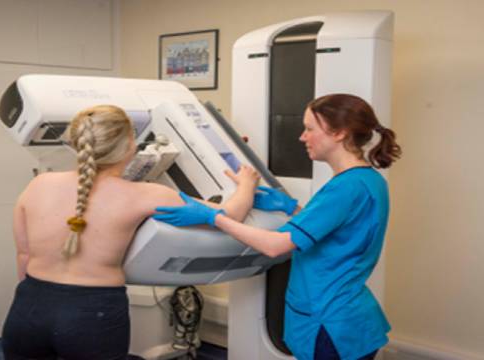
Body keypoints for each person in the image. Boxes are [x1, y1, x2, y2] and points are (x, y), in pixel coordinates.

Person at [1, 104, 260, 360]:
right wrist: (247, 183)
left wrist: (38, 304)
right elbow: (231, 215)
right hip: (91, 315)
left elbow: (23, 255)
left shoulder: (38, 184)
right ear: (128, 145)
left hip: (29, 307)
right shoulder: (144, 194)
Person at [153, 94, 402, 360]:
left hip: (329, 322)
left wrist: (212, 217)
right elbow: (338, 230)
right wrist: (289, 207)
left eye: (309, 129)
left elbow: (275, 246)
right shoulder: (368, 180)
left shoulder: (345, 187)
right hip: (350, 317)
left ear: (339, 133)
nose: (302, 137)